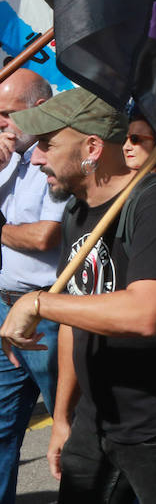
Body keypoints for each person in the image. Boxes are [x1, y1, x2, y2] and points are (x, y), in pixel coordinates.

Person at [0, 89, 156, 502]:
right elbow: (74, 320)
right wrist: (64, 417)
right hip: (95, 420)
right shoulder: (76, 212)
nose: (35, 158)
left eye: (48, 145)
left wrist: (37, 301)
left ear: (92, 147)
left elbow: (145, 312)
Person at [0, 71, 58, 503]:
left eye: (7, 114)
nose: (1, 124)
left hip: (51, 314)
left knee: (71, 420)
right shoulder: (7, 161)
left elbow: (44, 237)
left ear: (38, 109)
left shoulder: (55, 155)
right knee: (1, 424)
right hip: (5, 310)